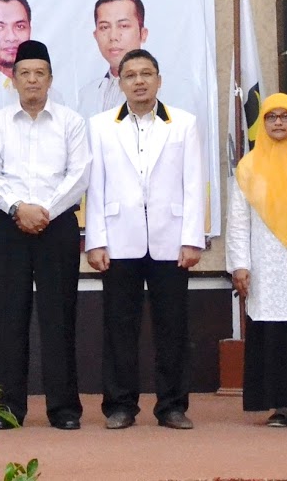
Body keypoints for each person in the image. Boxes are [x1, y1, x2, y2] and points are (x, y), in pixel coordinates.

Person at [85, 49, 205, 431]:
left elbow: (193, 183)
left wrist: (192, 239)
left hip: (171, 240)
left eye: (146, 74)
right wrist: (95, 241)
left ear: (159, 80)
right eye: (131, 75)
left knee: (173, 327)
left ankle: (172, 406)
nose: (139, 81)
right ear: (119, 83)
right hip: (119, 239)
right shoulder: (100, 126)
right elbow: (95, 187)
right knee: (119, 327)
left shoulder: (183, 123)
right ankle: (120, 405)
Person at [0, 40, 89, 430]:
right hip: (9, 226)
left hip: (57, 226)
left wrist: (45, 211)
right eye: (24, 73)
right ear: (13, 79)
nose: (32, 80)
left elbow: (79, 175)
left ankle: (64, 409)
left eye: (39, 73)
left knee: (59, 316)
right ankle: (7, 409)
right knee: (8, 318)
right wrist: (18, 208)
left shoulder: (71, 122)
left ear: (50, 79)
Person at [226, 94, 287, 428]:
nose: (278, 122)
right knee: (273, 332)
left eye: (285, 116)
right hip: (265, 261)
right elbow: (238, 221)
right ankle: (280, 406)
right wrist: (240, 264)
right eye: (271, 117)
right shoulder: (249, 166)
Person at [76, 0, 148, 118]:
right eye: (104, 27)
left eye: (123, 26)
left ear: (143, 34)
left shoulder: (171, 90)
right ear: (95, 36)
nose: (113, 36)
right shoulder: (86, 95)